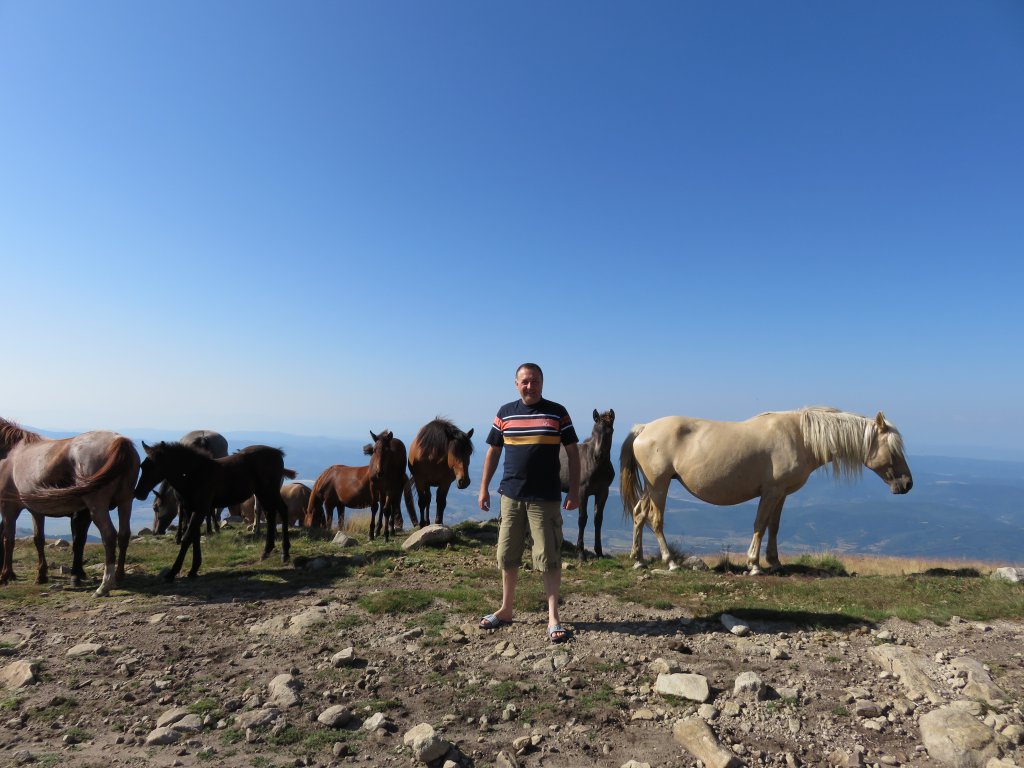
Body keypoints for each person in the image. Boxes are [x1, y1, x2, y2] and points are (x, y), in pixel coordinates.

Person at [477, 362, 580, 642]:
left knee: (548, 557)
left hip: (545, 497)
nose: (529, 386)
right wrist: (484, 488)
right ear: (516, 384)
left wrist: (574, 490)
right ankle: (506, 609)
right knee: (507, 555)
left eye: (534, 381)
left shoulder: (557, 412)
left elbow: (573, 453)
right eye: (524, 381)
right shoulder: (505, 413)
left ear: (542, 383)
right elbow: (493, 453)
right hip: (510, 496)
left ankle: (553, 617)